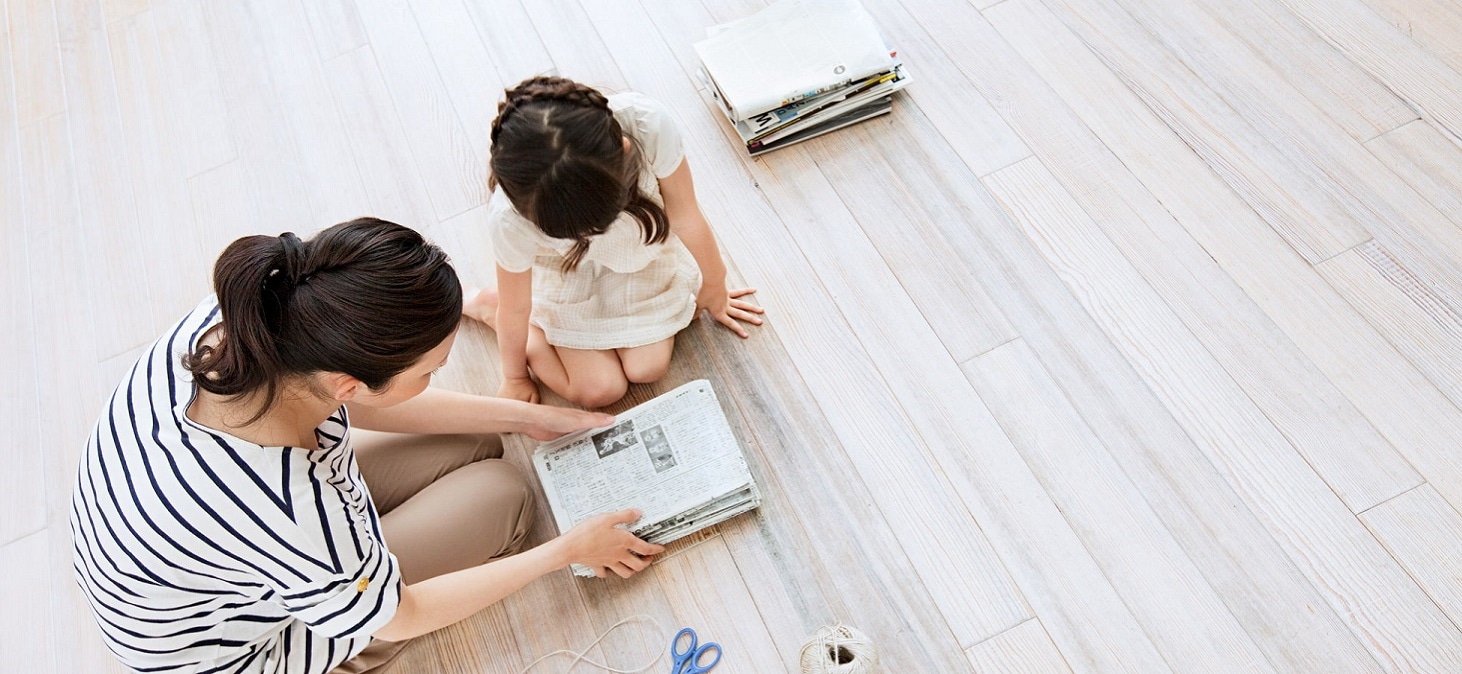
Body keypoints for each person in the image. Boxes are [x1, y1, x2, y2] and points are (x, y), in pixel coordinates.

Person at [70, 219, 665, 674]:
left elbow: (358, 404)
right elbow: (404, 615)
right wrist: (566, 551)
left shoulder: (245, 321)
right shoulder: (290, 510)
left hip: (191, 550)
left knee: (479, 440)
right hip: (242, 648)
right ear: (348, 384)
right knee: (504, 495)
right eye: (429, 370)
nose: (436, 376)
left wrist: (528, 418)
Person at [462, 75, 764, 408]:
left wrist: (715, 285)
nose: (592, 232)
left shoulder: (647, 125)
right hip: (566, 272)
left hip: (638, 255)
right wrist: (515, 377)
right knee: (599, 390)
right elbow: (517, 308)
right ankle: (489, 307)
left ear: (624, 148)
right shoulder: (509, 216)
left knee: (647, 368)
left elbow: (686, 216)